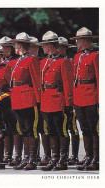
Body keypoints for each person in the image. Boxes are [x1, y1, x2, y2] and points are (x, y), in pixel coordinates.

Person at [40, 31, 73, 171]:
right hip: (46, 100)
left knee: (61, 131)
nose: (42, 48)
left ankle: (63, 159)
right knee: (51, 131)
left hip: (58, 100)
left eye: (44, 45)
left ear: (50, 46)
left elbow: (67, 84)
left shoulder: (63, 62)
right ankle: (54, 158)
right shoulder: (43, 62)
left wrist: (68, 104)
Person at [9, 32, 41, 170]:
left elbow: (36, 80)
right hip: (17, 98)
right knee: (22, 129)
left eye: (16, 44)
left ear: (21, 45)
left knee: (30, 129)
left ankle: (32, 159)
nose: (14, 47)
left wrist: (38, 101)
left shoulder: (31, 60)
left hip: (28, 98)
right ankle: (26, 157)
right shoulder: (16, 62)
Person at [70, 27, 99, 171]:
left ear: (86, 41)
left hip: (91, 95)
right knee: (85, 129)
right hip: (79, 96)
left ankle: (96, 158)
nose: (77, 43)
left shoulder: (95, 56)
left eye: (79, 40)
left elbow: (100, 78)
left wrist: (100, 99)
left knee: (94, 129)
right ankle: (88, 156)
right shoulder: (77, 57)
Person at [58, 36, 80, 165]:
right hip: (59, 98)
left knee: (73, 128)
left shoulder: (70, 62)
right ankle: (63, 154)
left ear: (65, 48)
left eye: (60, 47)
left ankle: (74, 155)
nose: (58, 49)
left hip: (72, 98)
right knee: (62, 127)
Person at [0, 36, 20, 166]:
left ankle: (17, 155)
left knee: (15, 127)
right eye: (2, 47)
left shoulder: (15, 61)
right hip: (0, 98)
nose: (4, 50)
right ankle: (7, 154)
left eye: (6, 47)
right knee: (4, 126)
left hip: (12, 96)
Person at [29, 36, 51, 166]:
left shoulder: (43, 62)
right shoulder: (27, 61)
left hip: (43, 99)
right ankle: (34, 155)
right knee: (33, 128)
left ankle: (47, 154)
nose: (32, 49)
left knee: (44, 128)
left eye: (33, 47)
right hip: (29, 99)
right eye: (29, 47)